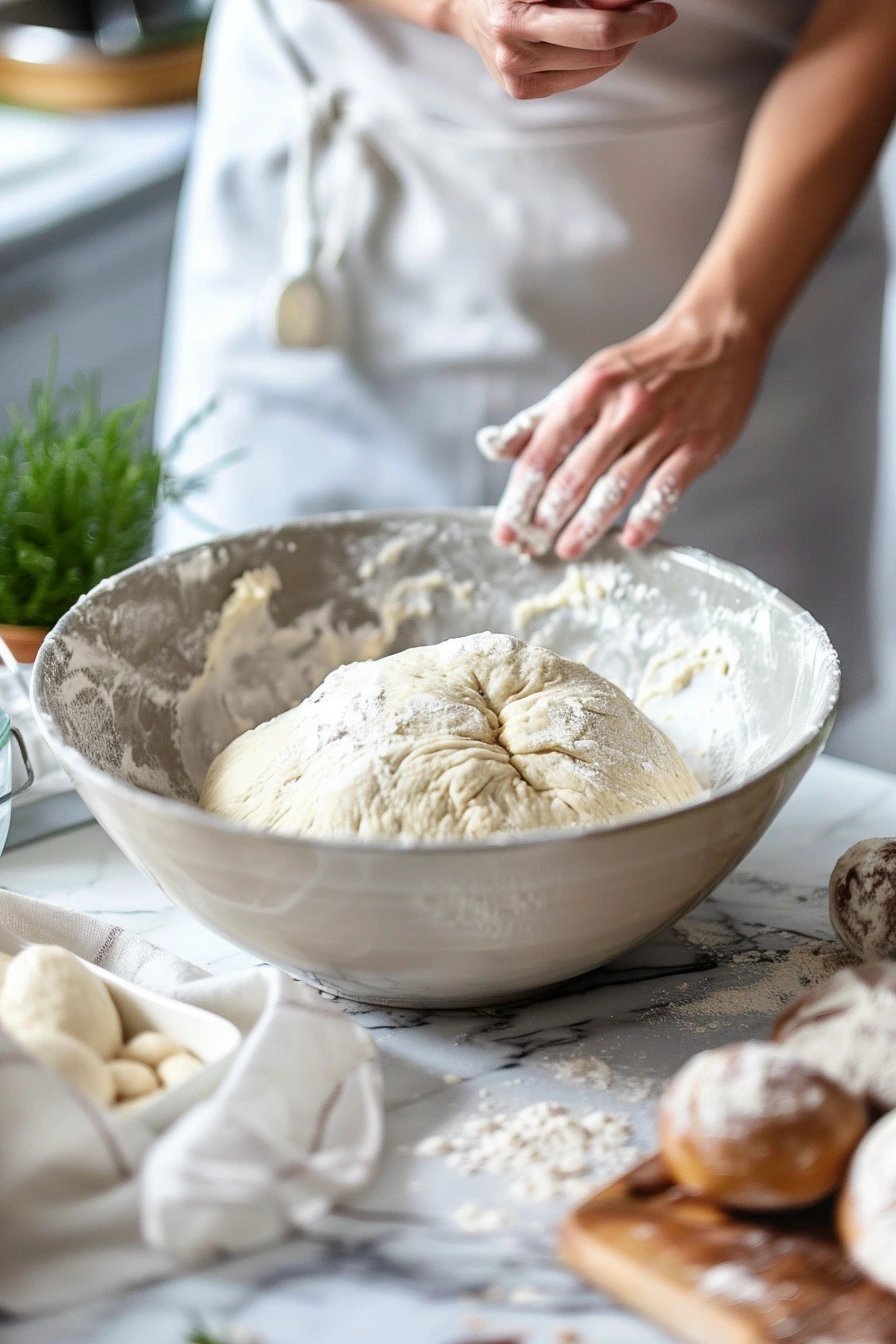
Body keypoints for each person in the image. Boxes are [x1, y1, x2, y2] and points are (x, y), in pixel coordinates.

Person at [156, 0, 896, 704]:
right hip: (338, 158)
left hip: (751, 189)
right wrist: (446, 9)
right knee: (241, 661)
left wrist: (725, 323)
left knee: (737, 690)